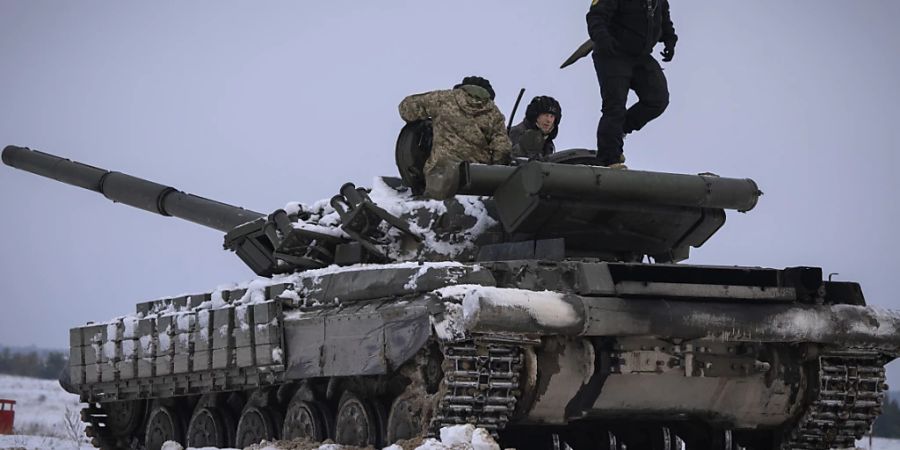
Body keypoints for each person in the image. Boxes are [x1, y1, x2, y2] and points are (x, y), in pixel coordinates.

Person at [587, 0, 677, 168]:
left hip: (640, 56)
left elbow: (663, 18)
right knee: (615, 108)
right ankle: (609, 159)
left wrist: (669, 38)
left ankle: (617, 131)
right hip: (613, 54)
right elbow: (595, 16)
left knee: (658, 99)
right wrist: (603, 38)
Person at [398, 76, 512, 199]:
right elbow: (503, 148)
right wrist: (493, 169)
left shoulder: (443, 99)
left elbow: (406, 108)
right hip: (478, 182)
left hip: (440, 178)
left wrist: (430, 122)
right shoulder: (493, 112)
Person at [508, 96, 562, 161]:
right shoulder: (517, 132)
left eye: (552, 116)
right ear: (536, 116)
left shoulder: (547, 141)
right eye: (545, 115)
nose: (548, 120)